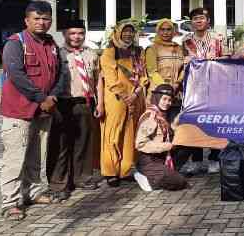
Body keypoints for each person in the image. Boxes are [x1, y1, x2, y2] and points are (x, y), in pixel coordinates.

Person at [0, 1, 66, 220]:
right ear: (27, 20)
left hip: (44, 110)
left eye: (45, 18)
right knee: (15, 158)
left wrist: (53, 96)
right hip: (19, 110)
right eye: (36, 18)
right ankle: (11, 202)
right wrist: (41, 98)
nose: (41, 22)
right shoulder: (15, 43)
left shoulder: (51, 44)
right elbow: (17, 75)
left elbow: (61, 74)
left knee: (36, 156)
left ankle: (33, 192)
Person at [47, 19, 100, 200]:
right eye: (72, 33)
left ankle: (82, 178)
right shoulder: (57, 54)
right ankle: (59, 183)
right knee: (61, 145)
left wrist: (99, 102)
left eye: (80, 33)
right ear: (65, 35)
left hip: (85, 102)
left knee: (84, 143)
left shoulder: (91, 54)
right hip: (63, 103)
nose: (77, 37)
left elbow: (98, 79)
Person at [99, 21, 149, 187]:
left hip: (135, 96)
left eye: (130, 32)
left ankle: (125, 169)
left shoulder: (137, 51)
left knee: (130, 133)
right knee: (113, 133)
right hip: (116, 99)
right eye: (124, 31)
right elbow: (111, 79)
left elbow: (143, 73)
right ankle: (110, 171)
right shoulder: (109, 52)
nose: (127, 34)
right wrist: (126, 95)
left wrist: (136, 93)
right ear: (118, 32)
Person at [181, 8, 225, 175]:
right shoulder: (186, 41)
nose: (199, 21)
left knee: (214, 122)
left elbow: (229, 58)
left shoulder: (218, 39)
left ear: (208, 21)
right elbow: (181, 62)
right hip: (194, 89)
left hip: (215, 87)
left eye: (202, 18)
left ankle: (214, 158)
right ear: (191, 22)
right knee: (194, 123)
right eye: (195, 19)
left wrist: (217, 60)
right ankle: (197, 160)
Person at [133, 84, 188, 192]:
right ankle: (147, 179)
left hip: (162, 157)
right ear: (157, 98)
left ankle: (167, 173)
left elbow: (168, 134)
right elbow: (140, 144)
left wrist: (176, 124)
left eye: (170, 100)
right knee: (179, 182)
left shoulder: (163, 115)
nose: (167, 103)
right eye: (164, 99)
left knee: (187, 146)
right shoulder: (150, 117)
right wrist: (166, 146)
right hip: (149, 160)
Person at [145, 18, 185, 101]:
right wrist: (166, 88)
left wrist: (177, 83)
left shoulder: (179, 48)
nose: (165, 32)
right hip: (157, 93)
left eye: (168, 29)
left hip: (176, 93)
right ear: (158, 31)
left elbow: (184, 68)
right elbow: (152, 73)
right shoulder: (152, 49)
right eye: (162, 29)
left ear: (173, 31)